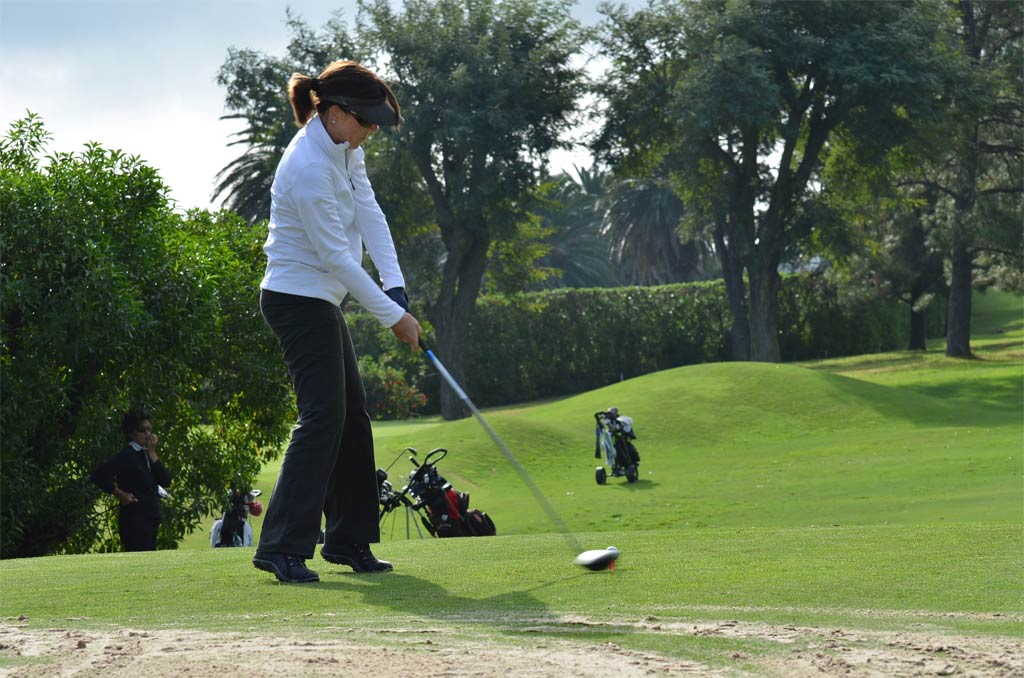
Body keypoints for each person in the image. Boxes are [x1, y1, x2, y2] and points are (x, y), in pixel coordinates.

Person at [252, 60, 422, 583]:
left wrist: (396, 285)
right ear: (336, 112)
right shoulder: (307, 167)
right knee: (323, 415)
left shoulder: (345, 148)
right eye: (366, 121)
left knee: (351, 415)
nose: (371, 131)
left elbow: (370, 213)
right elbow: (338, 260)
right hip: (295, 299)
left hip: (319, 299)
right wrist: (393, 317)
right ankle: (280, 546)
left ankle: (347, 540)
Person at [90, 411, 172, 552]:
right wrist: (121, 494)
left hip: (151, 518)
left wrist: (152, 453)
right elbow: (99, 475)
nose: (147, 434)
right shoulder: (127, 455)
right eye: (142, 430)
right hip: (135, 520)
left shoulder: (147, 453)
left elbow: (165, 480)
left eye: (149, 429)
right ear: (131, 433)